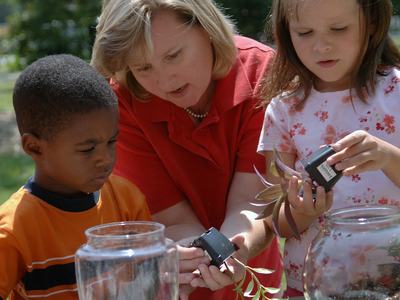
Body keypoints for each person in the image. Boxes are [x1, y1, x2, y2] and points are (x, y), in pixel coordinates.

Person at [91, 0, 283, 298]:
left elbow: (254, 199)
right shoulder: (120, 103)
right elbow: (171, 218)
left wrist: (234, 247)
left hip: (253, 282)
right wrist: (197, 254)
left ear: (207, 30)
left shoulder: (262, 72)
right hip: (175, 283)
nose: (165, 79)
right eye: (143, 68)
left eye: (174, 55)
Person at [257, 0, 400, 297]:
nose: (321, 46)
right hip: (318, 284)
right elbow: (278, 223)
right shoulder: (284, 110)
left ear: (372, 22)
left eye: (338, 29)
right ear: (286, 33)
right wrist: (303, 211)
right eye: (305, 32)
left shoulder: (396, 91)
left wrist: (388, 157)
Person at [0, 54, 152, 300]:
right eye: (87, 149)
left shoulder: (127, 200)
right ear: (34, 147)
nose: (105, 158)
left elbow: (147, 284)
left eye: (111, 141)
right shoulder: (14, 230)